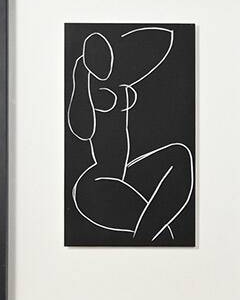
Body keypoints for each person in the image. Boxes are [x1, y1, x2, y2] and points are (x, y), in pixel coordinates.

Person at [67, 26, 193, 243]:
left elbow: (160, 44)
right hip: (96, 184)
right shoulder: (89, 84)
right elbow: (82, 130)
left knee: (179, 156)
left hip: (123, 173)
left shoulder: (119, 83)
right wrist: (80, 75)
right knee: (161, 234)